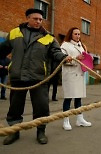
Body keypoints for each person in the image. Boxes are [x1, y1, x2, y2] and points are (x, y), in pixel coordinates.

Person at [0, 8, 72, 145]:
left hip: (39, 78)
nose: (38, 21)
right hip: (17, 76)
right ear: (27, 18)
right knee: (15, 107)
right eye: (35, 19)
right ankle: (14, 132)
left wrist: (64, 57)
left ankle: (41, 131)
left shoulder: (48, 37)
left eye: (40, 19)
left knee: (41, 107)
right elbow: (2, 50)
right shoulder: (14, 33)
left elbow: (56, 52)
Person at [60, 27, 91, 131]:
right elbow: (62, 60)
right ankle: (66, 120)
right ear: (71, 34)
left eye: (79, 34)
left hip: (80, 74)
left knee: (78, 98)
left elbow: (83, 58)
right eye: (75, 34)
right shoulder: (65, 45)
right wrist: (76, 58)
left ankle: (80, 119)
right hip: (70, 75)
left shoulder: (81, 45)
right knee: (68, 98)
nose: (78, 36)